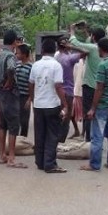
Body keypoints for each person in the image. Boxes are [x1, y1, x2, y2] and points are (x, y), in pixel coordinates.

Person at [0, 30, 27, 168]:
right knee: (13, 125)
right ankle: (11, 157)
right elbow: (11, 68)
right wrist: (9, 81)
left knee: (3, 125)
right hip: (10, 93)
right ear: (15, 42)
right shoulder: (10, 55)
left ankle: (2, 155)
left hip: (1, 93)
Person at [80, 38, 108, 171]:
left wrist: (93, 108)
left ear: (100, 49)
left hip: (103, 105)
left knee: (97, 136)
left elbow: (99, 88)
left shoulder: (102, 65)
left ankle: (94, 164)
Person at [29, 39, 68, 173]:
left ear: (42, 50)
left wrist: (33, 100)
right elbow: (58, 85)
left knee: (39, 134)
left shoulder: (35, 65)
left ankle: (40, 161)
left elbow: (31, 84)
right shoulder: (56, 65)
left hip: (39, 104)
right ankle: (50, 164)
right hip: (52, 104)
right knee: (52, 134)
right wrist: (65, 103)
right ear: (54, 49)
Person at [68, 23, 107, 142]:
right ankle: (95, 138)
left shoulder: (93, 48)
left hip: (90, 86)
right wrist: (85, 31)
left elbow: (76, 43)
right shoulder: (102, 50)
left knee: (88, 113)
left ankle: (88, 139)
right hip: (100, 87)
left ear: (94, 37)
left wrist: (72, 30)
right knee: (97, 113)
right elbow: (88, 41)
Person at [56, 36, 83, 142]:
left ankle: (56, 138)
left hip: (57, 91)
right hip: (68, 91)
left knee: (59, 115)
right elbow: (86, 52)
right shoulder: (70, 58)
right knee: (66, 117)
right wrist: (73, 46)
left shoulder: (56, 57)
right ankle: (61, 140)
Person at [15, 44, 33, 137]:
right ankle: (16, 140)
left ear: (24, 54)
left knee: (24, 121)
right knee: (16, 120)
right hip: (16, 96)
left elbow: (33, 84)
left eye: (18, 53)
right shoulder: (16, 65)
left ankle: (23, 140)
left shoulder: (31, 67)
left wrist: (30, 99)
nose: (16, 55)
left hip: (25, 97)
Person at [71, 57, 85, 139]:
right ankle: (77, 131)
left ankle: (83, 133)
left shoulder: (86, 63)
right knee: (71, 113)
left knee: (84, 114)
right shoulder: (77, 62)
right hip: (76, 90)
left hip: (82, 91)